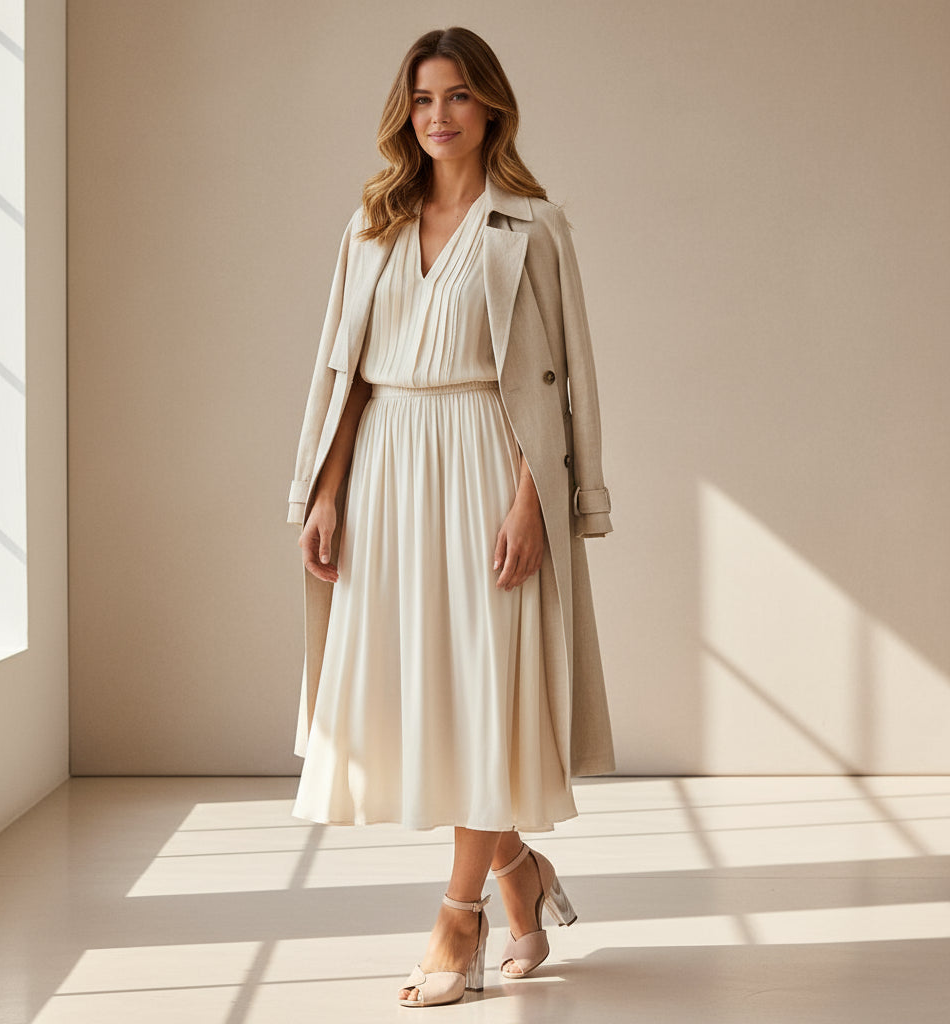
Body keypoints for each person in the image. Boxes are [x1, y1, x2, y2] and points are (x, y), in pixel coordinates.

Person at [286, 26, 615, 1008]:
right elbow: (343, 375)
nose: (440, 116)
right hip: (387, 467)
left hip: (485, 470)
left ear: (492, 108)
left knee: (481, 696)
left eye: (459, 97)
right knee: (418, 707)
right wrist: (328, 490)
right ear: (406, 111)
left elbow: (564, 381)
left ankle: (456, 919)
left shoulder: (533, 226)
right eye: (424, 98)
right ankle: (523, 876)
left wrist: (536, 498)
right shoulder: (372, 224)